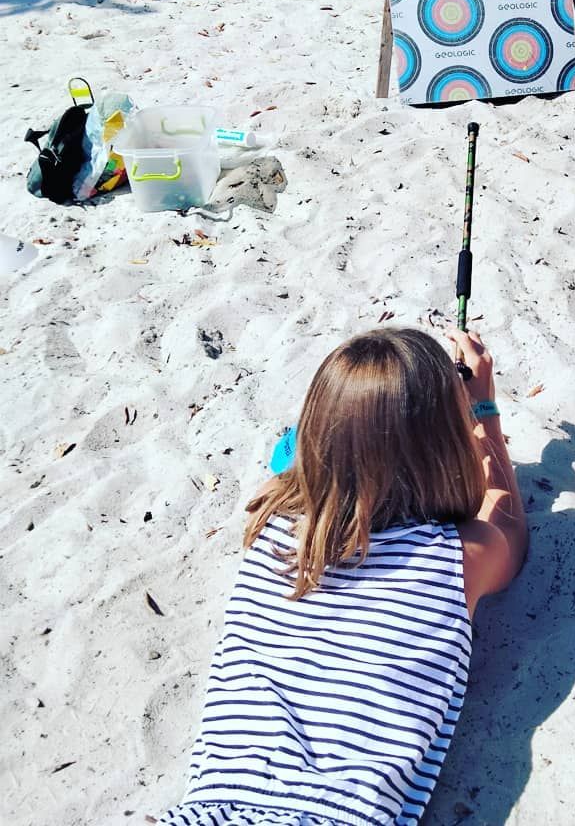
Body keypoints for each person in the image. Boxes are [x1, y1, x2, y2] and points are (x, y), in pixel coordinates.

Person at [160, 326, 527, 826]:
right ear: (444, 445)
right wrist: (482, 407)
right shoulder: (461, 554)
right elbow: (505, 516)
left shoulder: (271, 520)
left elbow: (295, 458)